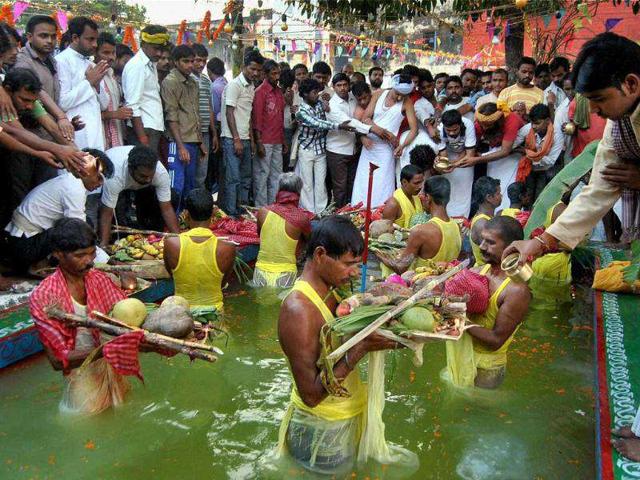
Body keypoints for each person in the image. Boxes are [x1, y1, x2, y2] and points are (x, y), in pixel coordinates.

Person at [277, 215, 401, 474]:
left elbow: (340, 343)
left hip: (344, 418)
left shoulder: (331, 292)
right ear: (321, 255)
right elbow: (310, 395)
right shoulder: (298, 309)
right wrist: (361, 348)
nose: (355, 272)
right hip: (320, 429)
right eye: (349, 264)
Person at [29, 218, 130, 415]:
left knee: (124, 413)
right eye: (80, 255)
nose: (89, 261)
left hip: (110, 365)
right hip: (80, 374)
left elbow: (125, 318)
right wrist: (109, 348)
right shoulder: (44, 296)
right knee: (87, 423)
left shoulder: (99, 279)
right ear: (58, 254)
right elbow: (58, 360)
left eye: (92, 254)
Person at [5, 149, 112, 272]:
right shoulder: (74, 188)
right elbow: (79, 232)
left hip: (27, 238)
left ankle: (45, 262)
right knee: (75, 230)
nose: (100, 184)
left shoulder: (71, 180)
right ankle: (36, 265)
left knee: (85, 222)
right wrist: (106, 262)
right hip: (24, 245)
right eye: (98, 177)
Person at [467, 216, 531, 389]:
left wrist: (460, 322)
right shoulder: (482, 270)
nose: (481, 247)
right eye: (482, 240)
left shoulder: (517, 291)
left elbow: (496, 340)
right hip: (464, 356)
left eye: (490, 242)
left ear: (511, 248)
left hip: (487, 370)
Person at [326, 73, 395, 208]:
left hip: (354, 149)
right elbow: (351, 123)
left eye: (345, 85)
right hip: (337, 150)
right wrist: (371, 129)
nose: (342, 88)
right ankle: (341, 214)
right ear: (333, 87)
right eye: (338, 85)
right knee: (340, 186)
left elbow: (377, 94)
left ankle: (352, 212)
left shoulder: (353, 97)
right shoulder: (331, 105)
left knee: (353, 183)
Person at [163, 188, 236, 312]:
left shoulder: (171, 244)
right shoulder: (227, 248)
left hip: (180, 315)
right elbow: (222, 284)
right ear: (213, 213)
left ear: (185, 214)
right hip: (215, 315)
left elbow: (172, 275)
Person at [351, 74, 418, 207]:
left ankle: (381, 214)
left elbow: (414, 130)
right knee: (363, 181)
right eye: (397, 94)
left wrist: (402, 146)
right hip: (369, 146)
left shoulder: (407, 102)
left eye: (402, 96)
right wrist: (379, 130)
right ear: (392, 88)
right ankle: (359, 212)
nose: (399, 98)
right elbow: (365, 118)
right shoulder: (379, 94)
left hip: (387, 149)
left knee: (383, 183)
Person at [378, 176, 462, 274]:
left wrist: (378, 253)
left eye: (423, 195)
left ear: (428, 197)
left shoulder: (421, 231)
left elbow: (400, 267)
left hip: (421, 285)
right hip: (446, 284)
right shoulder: (457, 227)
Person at [99, 145, 179, 247]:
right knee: (121, 225)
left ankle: (151, 238)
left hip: (143, 188)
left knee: (172, 197)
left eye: (151, 175)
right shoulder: (115, 176)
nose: (148, 180)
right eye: (143, 176)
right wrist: (103, 246)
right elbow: (107, 213)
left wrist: (179, 240)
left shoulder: (160, 173)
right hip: (117, 184)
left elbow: (166, 208)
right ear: (130, 169)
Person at [14, 15, 76, 142]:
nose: (49, 40)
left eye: (53, 36)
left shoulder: (52, 61)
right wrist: (61, 117)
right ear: (30, 37)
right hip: (31, 137)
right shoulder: (23, 61)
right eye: (43, 36)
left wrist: (65, 122)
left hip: (52, 133)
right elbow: (38, 92)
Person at [295, 78, 352, 213]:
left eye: (317, 92)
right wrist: (338, 126)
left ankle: (320, 212)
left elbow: (328, 111)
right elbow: (317, 123)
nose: (317, 95)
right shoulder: (301, 111)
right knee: (307, 184)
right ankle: (309, 212)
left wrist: (325, 102)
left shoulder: (320, 104)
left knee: (321, 184)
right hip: (307, 149)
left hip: (320, 150)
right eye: (314, 93)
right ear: (305, 94)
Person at [220, 49, 264, 217]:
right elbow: (229, 112)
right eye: (252, 69)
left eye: (258, 70)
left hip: (245, 138)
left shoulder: (252, 86)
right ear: (244, 67)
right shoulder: (234, 85)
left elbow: (247, 115)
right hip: (232, 139)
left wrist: (251, 140)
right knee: (233, 179)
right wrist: (237, 139)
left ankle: (243, 212)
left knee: (246, 178)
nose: (255, 73)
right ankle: (232, 214)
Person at [461, 103, 525, 210]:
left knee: (509, 189)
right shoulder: (479, 124)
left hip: (513, 157)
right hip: (494, 159)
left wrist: (477, 159)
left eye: (488, 124)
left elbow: (505, 151)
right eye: (482, 124)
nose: (484, 128)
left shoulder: (511, 120)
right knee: (495, 190)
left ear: (499, 120)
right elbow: (471, 147)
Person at [161, 45, 202, 211]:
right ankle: (173, 225)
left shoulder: (193, 82)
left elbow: (195, 114)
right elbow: (172, 117)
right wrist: (180, 146)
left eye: (192, 61)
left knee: (189, 186)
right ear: (176, 62)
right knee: (175, 186)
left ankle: (185, 223)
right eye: (186, 61)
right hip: (177, 142)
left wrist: (200, 142)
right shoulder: (170, 82)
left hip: (192, 140)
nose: (190, 65)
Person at [253, 173, 312, 288]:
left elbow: (261, 235)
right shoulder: (301, 218)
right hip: (286, 276)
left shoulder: (262, 212)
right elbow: (310, 241)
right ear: (298, 193)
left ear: (279, 190)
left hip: (260, 273)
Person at [56, 16, 106, 150]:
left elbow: (105, 104)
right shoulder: (61, 61)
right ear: (75, 38)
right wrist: (89, 82)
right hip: (76, 132)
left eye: (96, 40)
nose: (95, 45)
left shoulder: (91, 64)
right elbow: (63, 102)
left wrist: (96, 84)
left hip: (95, 132)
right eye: (90, 39)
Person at [122, 24, 170, 151]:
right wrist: (142, 137)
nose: (159, 53)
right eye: (156, 49)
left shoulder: (150, 64)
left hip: (152, 127)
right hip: (144, 130)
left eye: (161, 49)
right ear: (144, 44)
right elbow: (132, 104)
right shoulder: (137, 66)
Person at [512, 103, 563, 201]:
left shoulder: (557, 135)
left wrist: (529, 154)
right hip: (529, 169)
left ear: (548, 121)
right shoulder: (528, 128)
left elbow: (551, 161)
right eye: (532, 123)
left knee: (540, 199)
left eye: (537, 123)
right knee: (527, 198)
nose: (534, 126)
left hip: (546, 171)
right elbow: (513, 143)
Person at [253, 59, 286, 207]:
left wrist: (283, 140)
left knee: (276, 176)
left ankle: (274, 207)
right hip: (265, 140)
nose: (277, 77)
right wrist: (258, 141)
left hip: (277, 139)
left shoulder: (279, 92)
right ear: (265, 74)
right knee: (262, 176)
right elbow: (257, 119)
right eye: (273, 73)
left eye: (278, 73)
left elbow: (280, 118)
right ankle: (261, 208)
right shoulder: (260, 92)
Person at [437, 109, 477, 218]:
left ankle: (462, 218)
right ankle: (447, 216)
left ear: (460, 124)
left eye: (455, 130)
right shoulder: (439, 129)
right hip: (449, 155)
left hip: (465, 155)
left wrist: (455, 164)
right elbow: (443, 154)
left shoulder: (468, 125)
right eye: (448, 130)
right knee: (449, 185)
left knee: (465, 187)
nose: (451, 133)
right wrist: (444, 164)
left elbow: (470, 155)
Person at [96, 32, 131, 149]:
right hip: (99, 136)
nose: (111, 57)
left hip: (115, 135)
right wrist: (114, 114)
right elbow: (88, 113)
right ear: (95, 52)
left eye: (113, 53)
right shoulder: (90, 76)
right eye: (106, 53)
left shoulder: (111, 75)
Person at [191, 43, 213, 191]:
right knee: (191, 172)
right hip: (191, 134)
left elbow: (209, 107)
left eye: (204, 61)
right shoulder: (187, 79)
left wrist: (214, 133)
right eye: (197, 60)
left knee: (202, 172)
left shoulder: (206, 80)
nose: (201, 64)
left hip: (205, 132)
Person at [470, 176, 501, 266]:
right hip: (484, 271)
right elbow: (491, 255)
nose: (501, 196)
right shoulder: (482, 224)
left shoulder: (488, 217)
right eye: (498, 193)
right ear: (489, 198)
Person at [382, 164, 424, 228]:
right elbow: (385, 232)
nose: (420, 186)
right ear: (404, 182)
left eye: (421, 182)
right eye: (416, 183)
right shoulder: (393, 204)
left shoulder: (417, 197)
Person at [207, 56, 227, 191]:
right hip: (225, 126)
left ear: (209, 71)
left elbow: (213, 110)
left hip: (217, 126)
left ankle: (215, 190)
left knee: (215, 162)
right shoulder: (226, 84)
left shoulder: (214, 87)